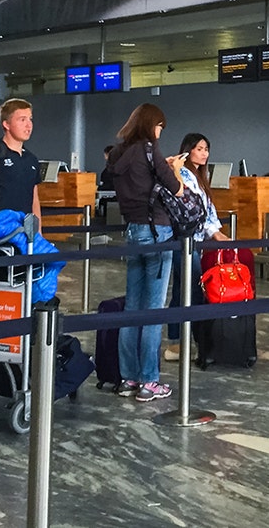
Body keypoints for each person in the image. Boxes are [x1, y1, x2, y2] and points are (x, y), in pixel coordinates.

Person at [108, 103, 185, 402]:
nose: (160, 132)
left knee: (132, 309)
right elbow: (176, 189)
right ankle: (150, 381)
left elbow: (137, 180)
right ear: (151, 125)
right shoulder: (150, 151)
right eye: (160, 127)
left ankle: (128, 377)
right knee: (153, 310)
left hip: (132, 230)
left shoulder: (117, 154)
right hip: (157, 232)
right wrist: (174, 168)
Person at [164, 133, 230, 362]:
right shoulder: (182, 173)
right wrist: (174, 170)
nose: (204, 153)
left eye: (206, 149)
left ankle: (182, 340)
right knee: (187, 290)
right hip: (184, 239)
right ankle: (176, 342)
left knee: (186, 289)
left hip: (197, 240)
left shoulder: (201, 176)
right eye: (199, 149)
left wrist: (217, 233)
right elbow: (183, 202)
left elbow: (206, 209)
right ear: (188, 150)